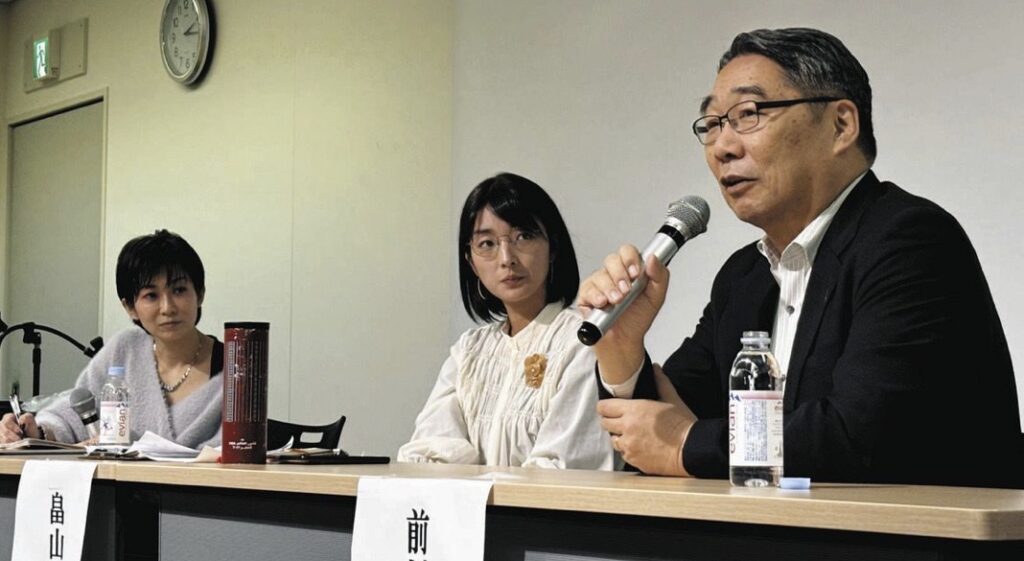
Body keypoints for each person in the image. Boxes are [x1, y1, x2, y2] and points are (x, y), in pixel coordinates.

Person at [578, 28, 1021, 487]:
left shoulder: (909, 241)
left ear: (841, 125)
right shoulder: (744, 276)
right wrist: (622, 351)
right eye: (712, 124)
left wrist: (686, 442)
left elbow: (858, 435)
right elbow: (660, 433)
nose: (723, 147)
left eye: (748, 114)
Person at [399, 173, 613, 469]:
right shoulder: (469, 352)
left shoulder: (583, 339)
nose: (506, 258)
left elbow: (565, 466)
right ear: (471, 262)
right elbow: (429, 450)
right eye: (487, 243)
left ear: (552, 247)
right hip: (470, 502)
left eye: (523, 236)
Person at [0, 230, 223, 449]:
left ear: (200, 294)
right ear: (130, 307)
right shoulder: (125, 349)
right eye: (151, 296)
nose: (167, 308)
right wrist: (36, 431)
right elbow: (72, 413)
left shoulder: (234, 366)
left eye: (179, 290)